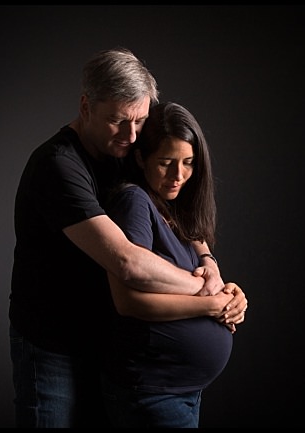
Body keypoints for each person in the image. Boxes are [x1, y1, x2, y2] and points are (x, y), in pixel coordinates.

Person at [10, 47, 247, 428]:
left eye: (139, 120)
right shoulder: (58, 167)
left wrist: (209, 262)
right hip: (53, 343)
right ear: (86, 106)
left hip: (104, 341)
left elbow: (180, 213)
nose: (132, 134)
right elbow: (128, 262)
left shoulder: (126, 150)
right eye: (118, 121)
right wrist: (208, 295)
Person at [100, 101, 240, 428]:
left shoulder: (172, 210)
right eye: (166, 163)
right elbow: (128, 301)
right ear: (140, 158)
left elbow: (193, 280)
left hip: (181, 390)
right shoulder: (133, 200)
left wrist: (231, 297)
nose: (179, 176)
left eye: (189, 163)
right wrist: (210, 305)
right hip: (150, 392)